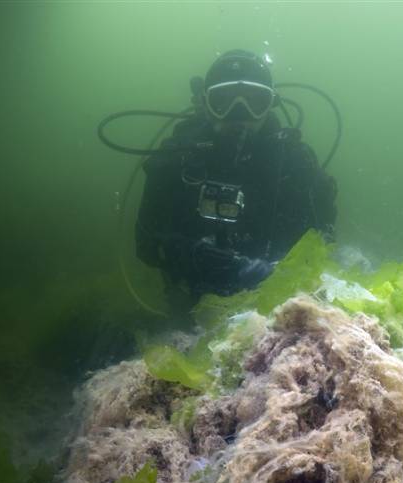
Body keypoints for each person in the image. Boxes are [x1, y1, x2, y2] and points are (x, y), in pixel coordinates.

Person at [136, 50, 337, 299]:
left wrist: (279, 268)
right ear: (205, 103)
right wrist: (193, 254)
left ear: (271, 103)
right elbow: (146, 244)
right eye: (223, 100)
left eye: (255, 101)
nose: (239, 114)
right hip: (193, 301)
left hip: (280, 301)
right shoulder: (176, 159)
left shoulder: (295, 162)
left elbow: (323, 237)